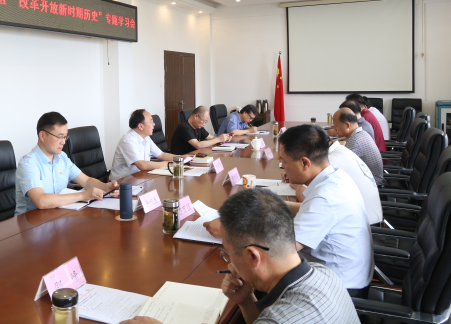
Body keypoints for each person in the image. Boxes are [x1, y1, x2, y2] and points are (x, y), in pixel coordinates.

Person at [124, 190, 360, 324]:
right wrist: (246, 301)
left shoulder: (279, 320)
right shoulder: (325, 273)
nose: (229, 262)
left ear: (253, 257)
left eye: (227, 253)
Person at [204, 125, 373, 297]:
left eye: (284, 162)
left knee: (251, 280)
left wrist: (229, 228)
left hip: (342, 289)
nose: (282, 167)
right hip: (346, 274)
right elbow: (307, 209)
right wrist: (262, 205)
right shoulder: (336, 177)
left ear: (305, 163)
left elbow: (281, 251)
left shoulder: (325, 198)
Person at [15, 112, 119, 215]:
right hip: (31, 222)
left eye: (65, 137)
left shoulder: (62, 157)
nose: (63, 142)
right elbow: (41, 201)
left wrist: (107, 188)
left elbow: (86, 181)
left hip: (57, 216)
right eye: (60, 137)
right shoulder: (28, 163)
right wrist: (83, 195)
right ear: (42, 135)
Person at [285, 139, 383, 225]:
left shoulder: (330, 162)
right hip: (366, 218)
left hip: (368, 224)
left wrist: (297, 182)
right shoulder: (340, 151)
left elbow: (305, 199)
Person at [109, 109, 178, 181]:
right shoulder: (128, 140)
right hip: (121, 182)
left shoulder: (146, 138)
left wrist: (181, 159)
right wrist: (171, 164)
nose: (154, 124)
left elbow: (162, 155)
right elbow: (142, 165)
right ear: (141, 126)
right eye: (151, 121)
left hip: (140, 177)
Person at [334, 108, 385, 186]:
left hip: (372, 184)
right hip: (370, 179)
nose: (334, 129)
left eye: (336, 125)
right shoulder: (361, 133)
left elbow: (341, 167)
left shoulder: (355, 140)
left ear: (347, 125)